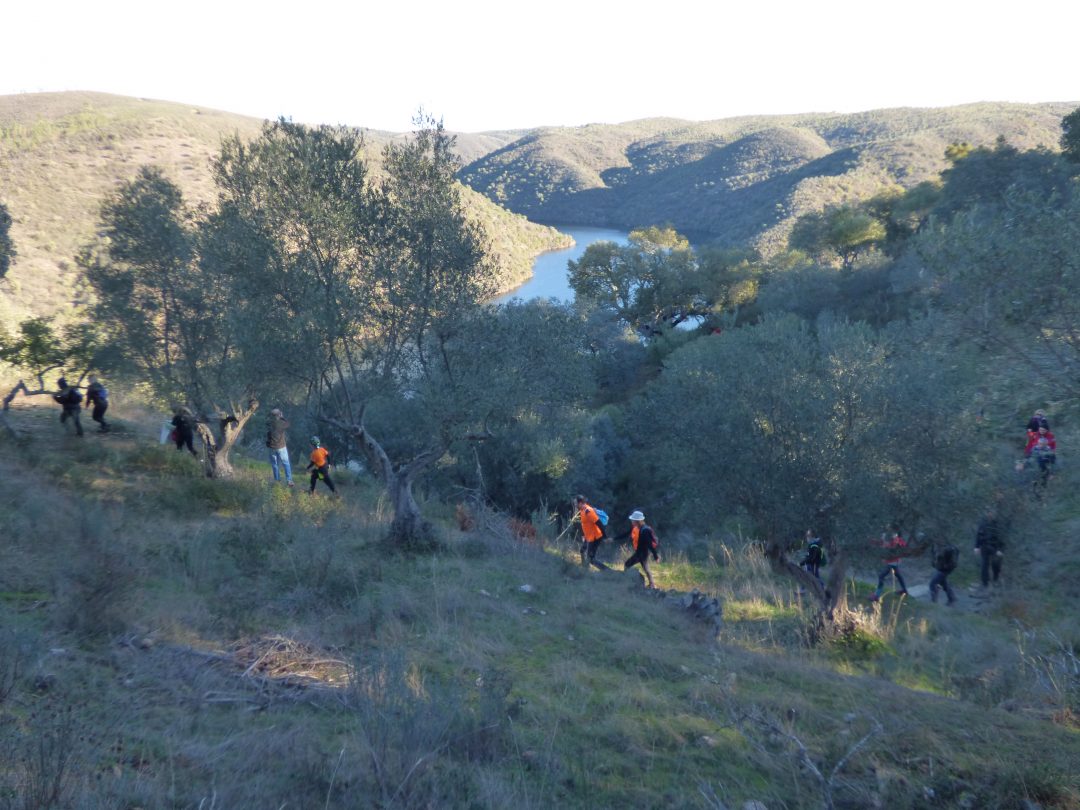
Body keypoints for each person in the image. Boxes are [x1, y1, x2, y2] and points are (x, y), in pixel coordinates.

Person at [869, 529, 908, 601]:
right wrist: (874, 541)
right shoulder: (894, 538)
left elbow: (891, 547)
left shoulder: (895, 540)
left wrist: (884, 544)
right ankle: (904, 590)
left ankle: (876, 595)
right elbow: (883, 544)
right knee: (898, 575)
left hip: (893, 561)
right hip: (893, 561)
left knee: (881, 576)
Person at [623, 510, 659, 588]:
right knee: (645, 568)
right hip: (641, 552)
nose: (632, 521)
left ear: (637, 521)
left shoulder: (645, 530)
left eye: (633, 520)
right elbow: (626, 534)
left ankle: (629, 581)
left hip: (642, 553)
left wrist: (656, 556)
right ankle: (652, 584)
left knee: (627, 565)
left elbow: (650, 544)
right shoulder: (640, 528)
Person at [574, 495, 609, 570]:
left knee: (591, 559)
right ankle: (584, 568)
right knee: (582, 550)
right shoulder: (582, 510)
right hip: (588, 536)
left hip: (595, 537)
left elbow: (599, 523)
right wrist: (584, 535)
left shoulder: (588, 511)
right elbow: (585, 524)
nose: (575, 505)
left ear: (580, 503)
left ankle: (608, 571)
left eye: (576, 503)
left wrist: (605, 537)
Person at [973, 508, 1005, 593]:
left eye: (992, 512)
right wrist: (977, 547)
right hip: (985, 547)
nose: (990, 514)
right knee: (984, 566)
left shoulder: (998, 524)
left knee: (996, 565)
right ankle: (984, 584)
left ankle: (995, 582)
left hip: (995, 547)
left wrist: (1000, 549)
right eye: (989, 512)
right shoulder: (983, 523)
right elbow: (979, 535)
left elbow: (1002, 538)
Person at [265, 408, 294, 486]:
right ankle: (289, 480)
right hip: (281, 447)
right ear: (279, 415)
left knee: (275, 464)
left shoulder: (269, 423)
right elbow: (288, 423)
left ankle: (277, 481)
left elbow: (267, 422)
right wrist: (282, 417)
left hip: (272, 447)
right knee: (286, 463)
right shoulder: (281, 423)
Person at [929, 540, 960, 605]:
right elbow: (934, 555)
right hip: (939, 568)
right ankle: (952, 598)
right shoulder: (935, 545)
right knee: (943, 583)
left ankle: (934, 602)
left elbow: (952, 562)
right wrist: (934, 563)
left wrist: (946, 567)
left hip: (944, 569)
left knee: (932, 583)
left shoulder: (948, 548)